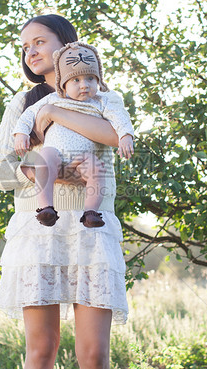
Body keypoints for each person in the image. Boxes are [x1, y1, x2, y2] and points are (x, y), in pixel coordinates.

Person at [0, 14, 129, 369]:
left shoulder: (100, 93)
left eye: (39, 41)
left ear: (67, 44)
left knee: (94, 353)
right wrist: (45, 173)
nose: (30, 51)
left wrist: (52, 110)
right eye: (24, 45)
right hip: (39, 230)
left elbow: (109, 134)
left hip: (91, 230)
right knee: (42, 349)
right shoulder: (22, 103)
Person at [12, 41, 135, 229]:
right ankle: (46, 207)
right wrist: (21, 133)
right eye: (76, 80)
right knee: (45, 157)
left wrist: (126, 135)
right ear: (64, 84)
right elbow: (29, 114)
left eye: (90, 79)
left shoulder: (102, 102)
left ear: (99, 80)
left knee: (97, 167)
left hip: (83, 158)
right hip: (56, 153)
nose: (84, 85)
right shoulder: (53, 99)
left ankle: (91, 212)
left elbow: (120, 118)